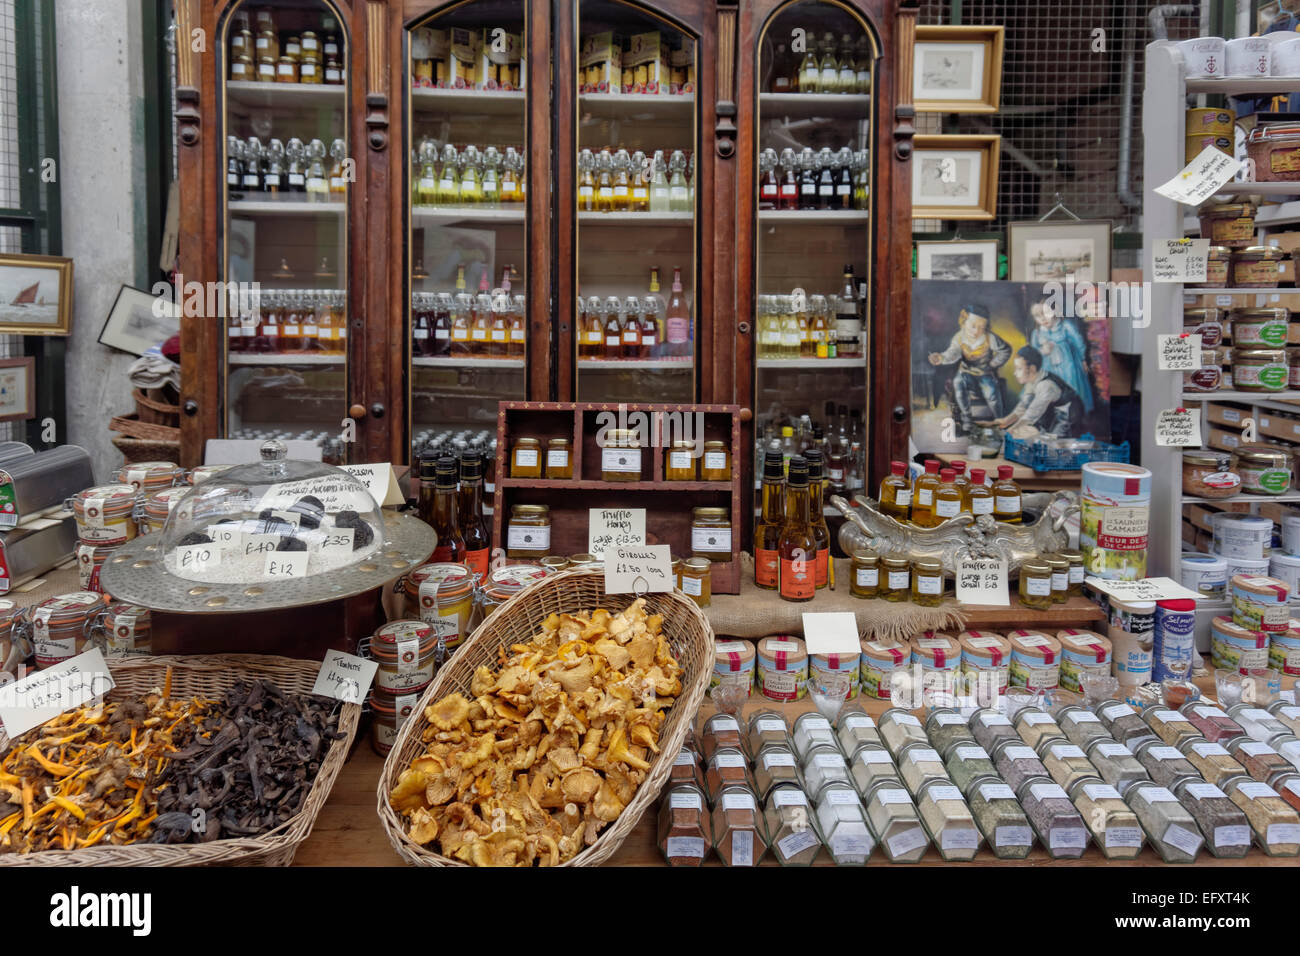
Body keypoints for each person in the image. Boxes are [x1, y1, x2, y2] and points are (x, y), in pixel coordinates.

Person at [927, 303, 1012, 435]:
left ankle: (999, 421)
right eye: (973, 326)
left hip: (985, 373)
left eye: (981, 327)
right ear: (963, 322)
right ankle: (967, 418)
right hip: (966, 372)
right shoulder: (959, 337)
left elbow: (1006, 350)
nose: (976, 331)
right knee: (958, 384)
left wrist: (994, 364)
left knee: (992, 393)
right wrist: (941, 358)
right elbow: (953, 353)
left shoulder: (990, 338)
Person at [990, 345, 1086, 439]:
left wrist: (1009, 432)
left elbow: (1032, 414)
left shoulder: (1046, 385)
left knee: (1052, 443)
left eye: (1019, 369)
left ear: (1032, 369)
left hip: (1069, 415)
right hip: (1054, 414)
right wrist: (1006, 421)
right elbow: (1023, 406)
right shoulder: (1032, 381)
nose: (1015, 373)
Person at [1029, 301, 1094, 413]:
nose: (1042, 319)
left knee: (1072, 387)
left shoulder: (1065, 326)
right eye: (1037, 316)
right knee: (1050, 389)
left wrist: (1083, 359)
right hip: (1048, 367)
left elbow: (1079, 343)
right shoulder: (1037, 333)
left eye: (1046, 313)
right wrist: (1042, 351)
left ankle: (1076, 413)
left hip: (1068, 365)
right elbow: (1033, 353)